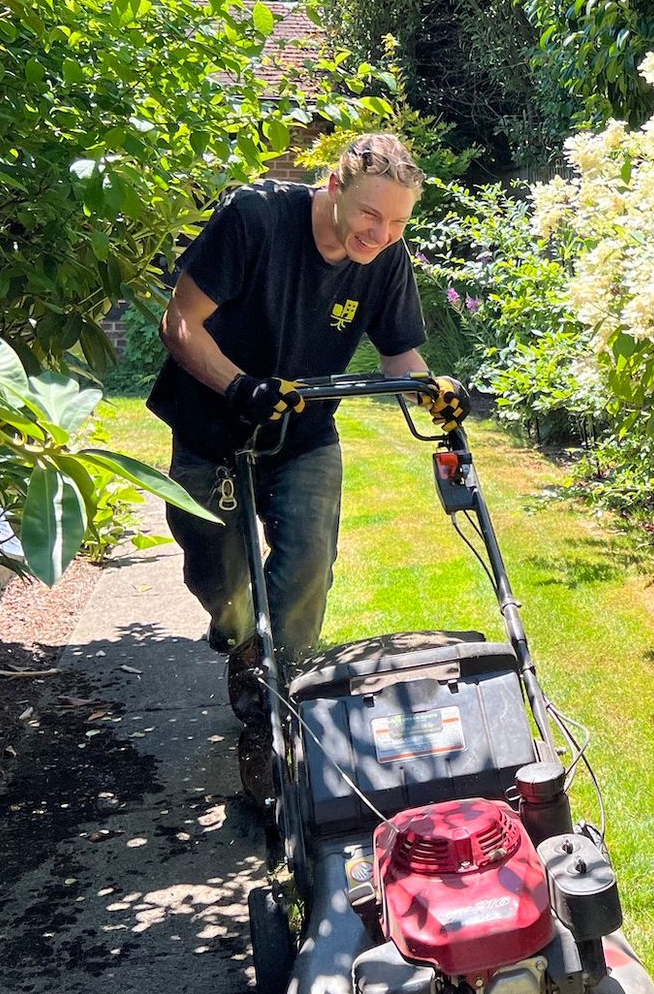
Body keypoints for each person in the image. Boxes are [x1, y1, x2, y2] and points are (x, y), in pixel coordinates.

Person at [147, 132, 467, 716]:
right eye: (371, 214)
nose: (382, 234)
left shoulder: (386, 258)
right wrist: (240, 387)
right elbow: (181, 323)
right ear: (334, 185)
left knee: (309, 562)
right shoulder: (256, 218)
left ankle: (282, 698)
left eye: (397, 223)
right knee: (218, 574)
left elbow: (399, 355)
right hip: (212, 427)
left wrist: (432, 390)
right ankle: (242, 637)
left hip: (304, 433)